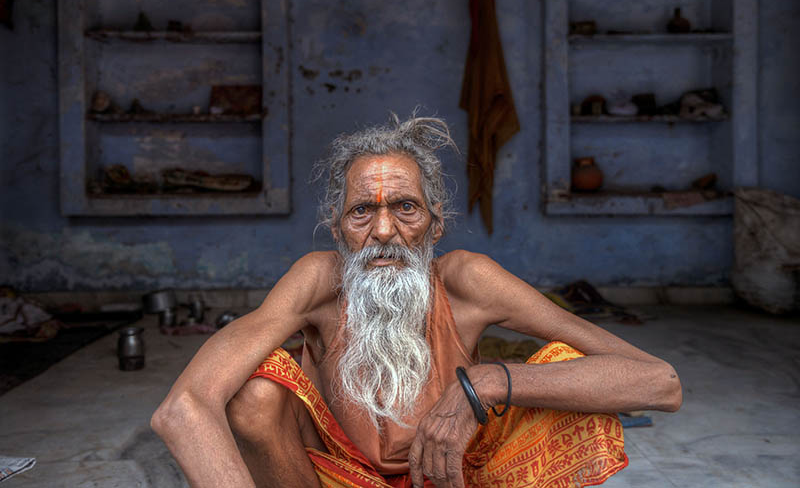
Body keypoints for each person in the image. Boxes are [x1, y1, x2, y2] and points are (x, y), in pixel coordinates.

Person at [151, 114, 682, 488]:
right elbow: (184, 409)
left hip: (453, 478)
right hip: (328, 481)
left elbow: (659, 382)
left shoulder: (468, 280)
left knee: (562, 372)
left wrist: (489, 381)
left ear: (435, 223)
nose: (384, 230)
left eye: (405, 207)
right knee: (257, 391)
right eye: (362, 212)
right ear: (338, 229)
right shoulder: (318, 279)